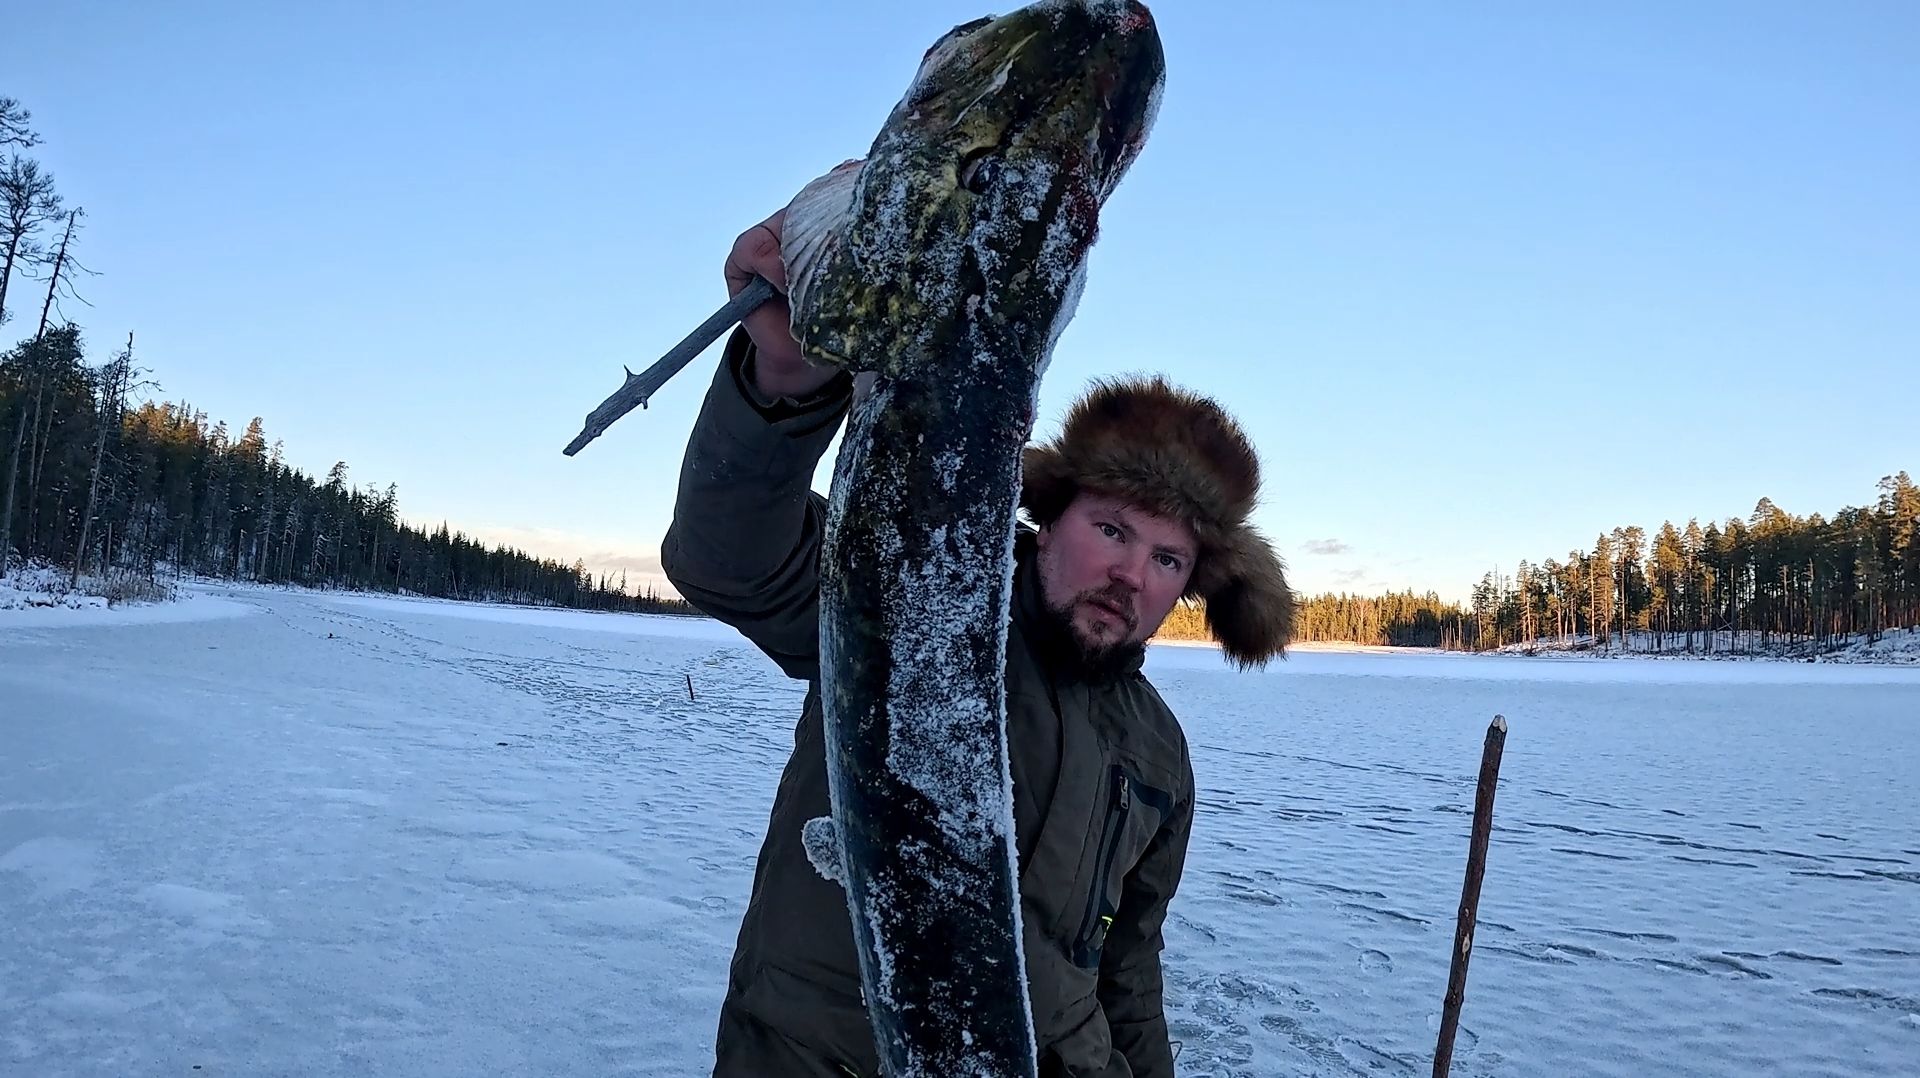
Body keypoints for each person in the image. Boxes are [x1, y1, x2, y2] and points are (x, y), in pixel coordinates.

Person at [661, 204, 1296, 1078]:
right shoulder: (918, 602)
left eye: (1167, 557)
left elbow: (1127, 968)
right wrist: (784, 376)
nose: (1131, 576)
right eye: (1111, 529)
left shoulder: (1158, 752)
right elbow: (726, 558)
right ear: (1052, 512)